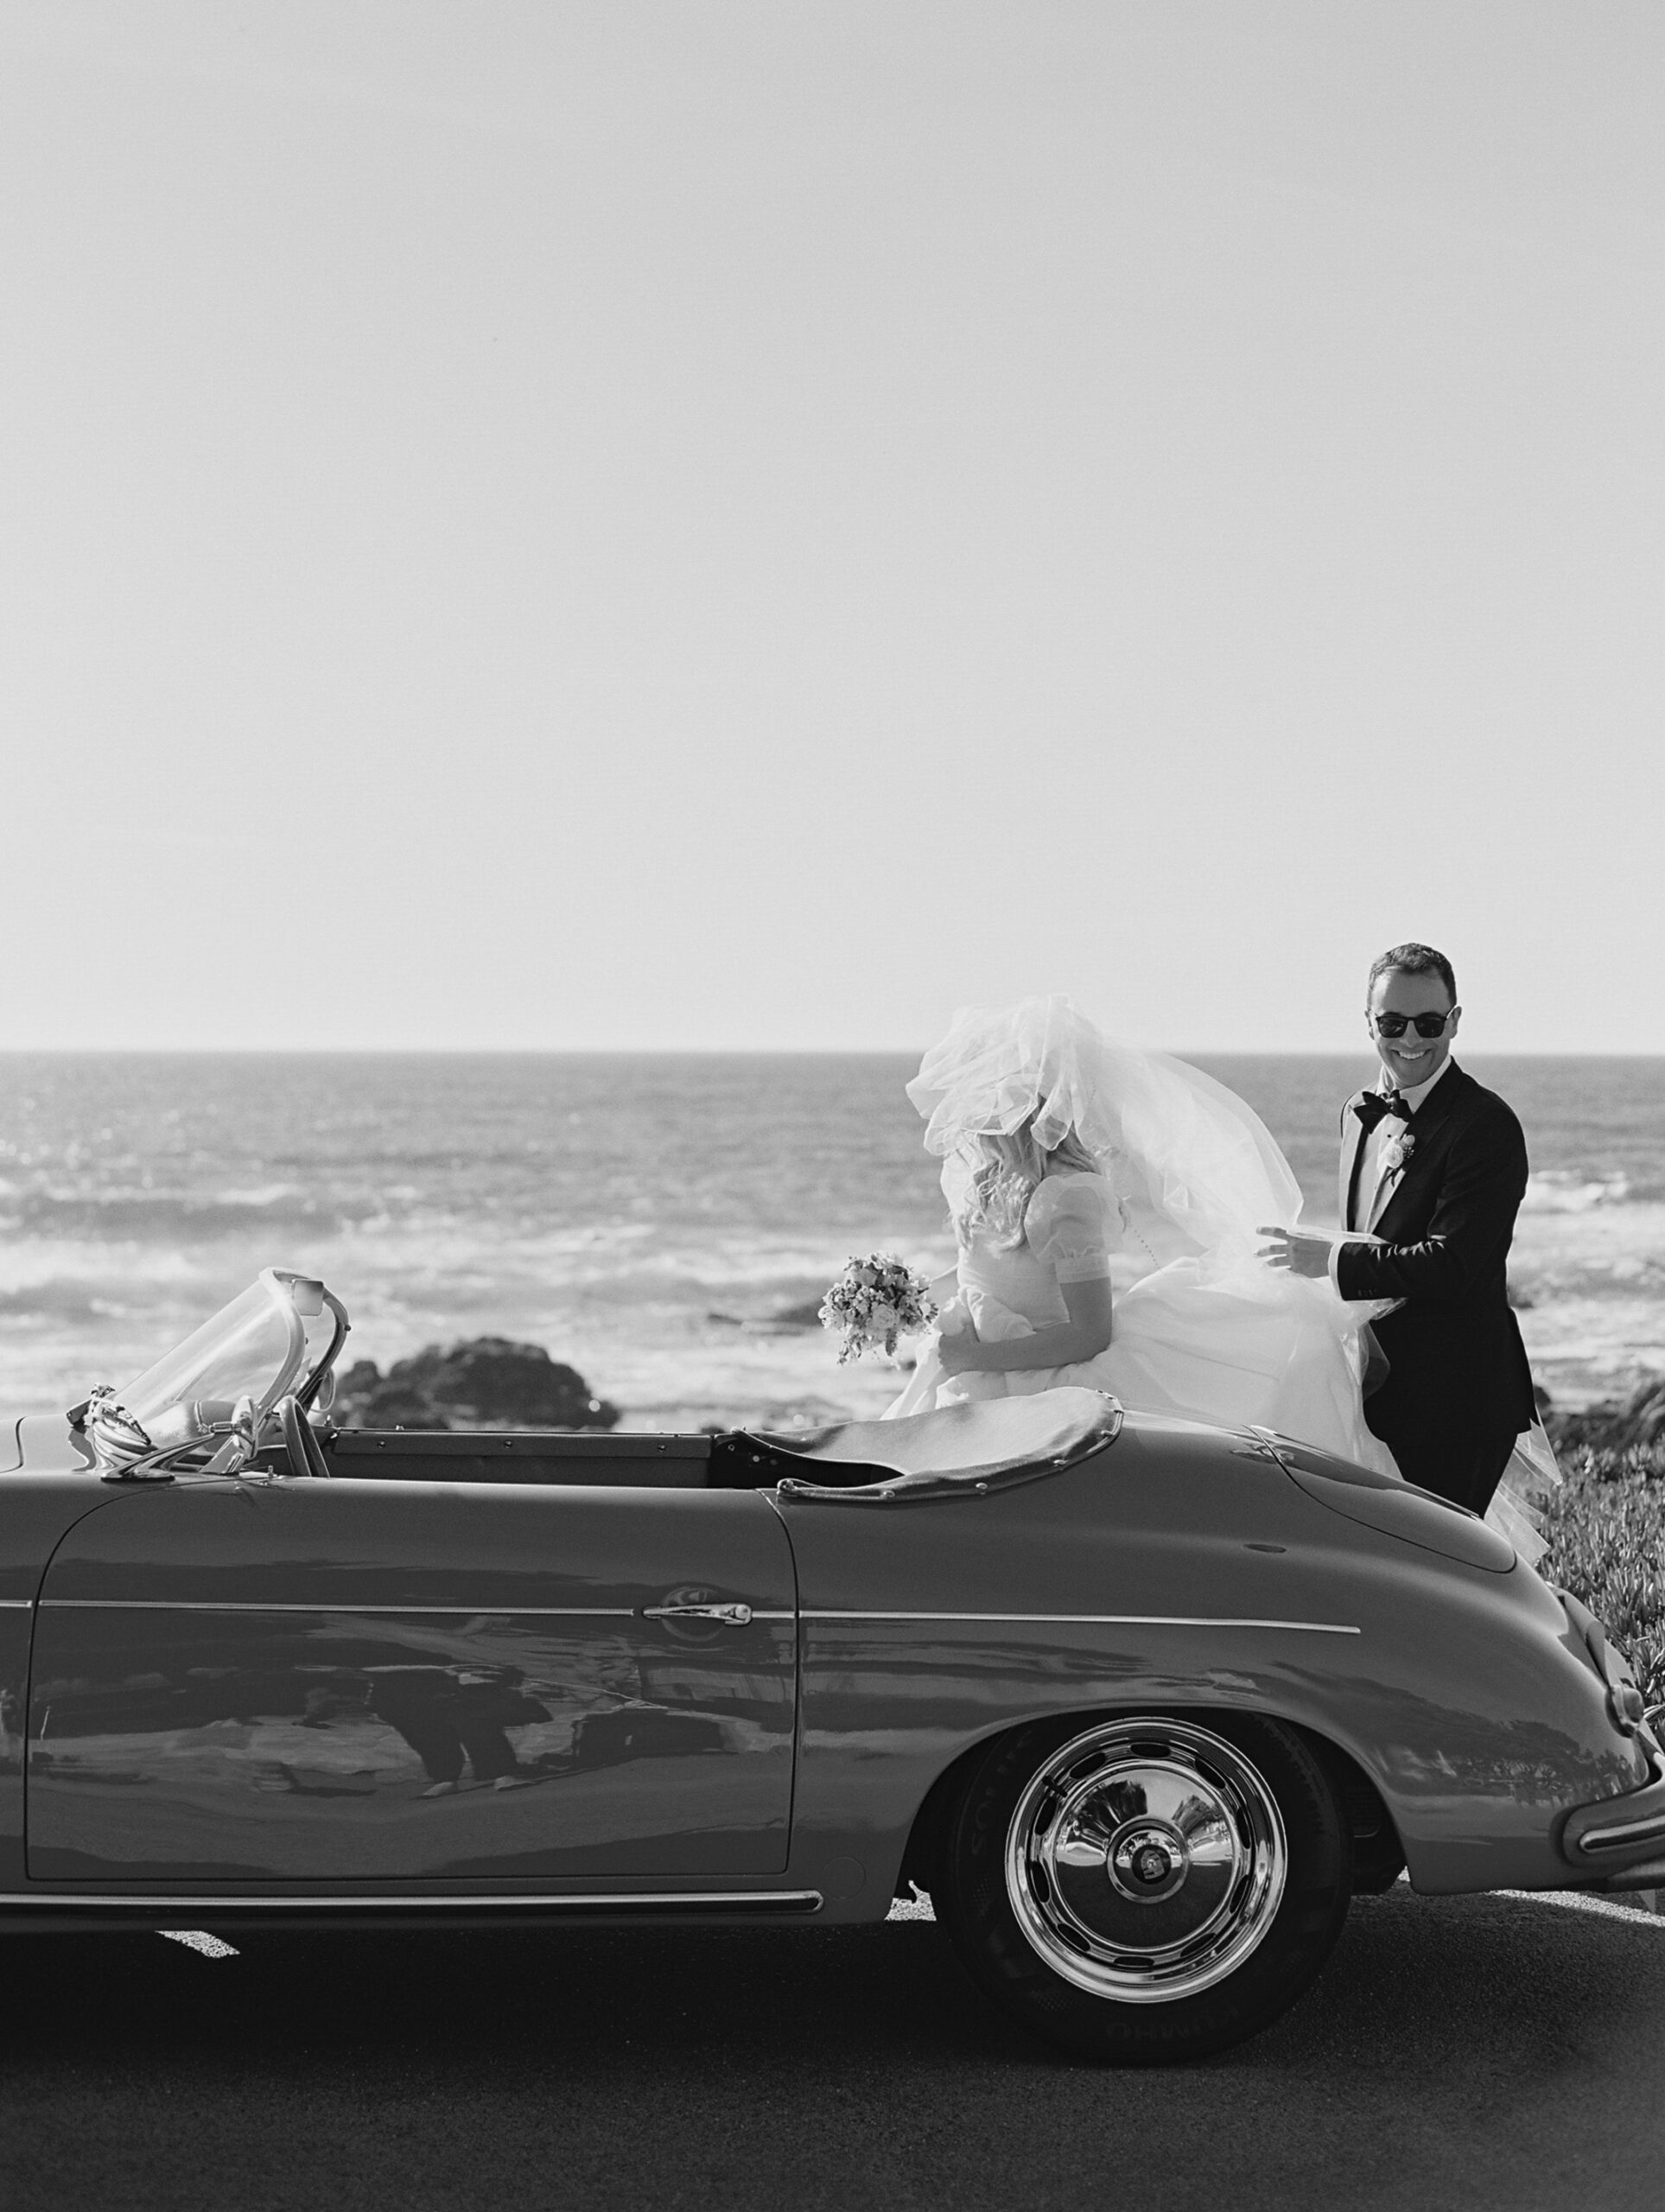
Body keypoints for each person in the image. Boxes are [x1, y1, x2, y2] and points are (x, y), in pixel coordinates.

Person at [884, 998, 1399, 1478]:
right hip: (971, 1362)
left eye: (983, 1092)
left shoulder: (1065, 1197)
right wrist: (898, 1298)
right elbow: (988, 1274)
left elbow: (1090, 1335)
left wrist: (975, 1359)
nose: (967, 1110)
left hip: (1028, 1379)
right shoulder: (980, 1177)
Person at [1258, 943, 1538, 1516]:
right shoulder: (1357, 1112)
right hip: (1373, 1389)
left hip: (1456, 1401)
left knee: (1442, 1575)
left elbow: (1452, 1264)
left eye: (1428, 1022)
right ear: (1367, 1023)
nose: (1409, 1039)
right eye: (1391, 1021)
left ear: (1454, 1022)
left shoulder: (1485, 1125)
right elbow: (1369, 1230)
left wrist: (1329, 1264)